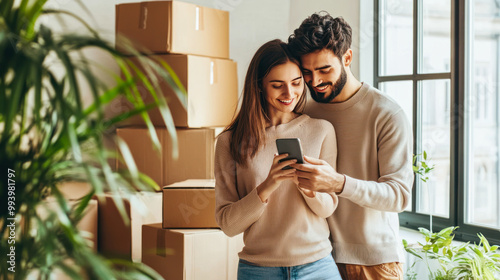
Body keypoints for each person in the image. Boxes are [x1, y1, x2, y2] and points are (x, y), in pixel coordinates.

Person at [288, 13, 414, 280]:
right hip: (313, 259)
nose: (315, 82)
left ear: (347, 58)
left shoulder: (386, 113)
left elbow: (399, 195)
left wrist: (338, 183)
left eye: (324, 70)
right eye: (307, 73)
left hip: (373, 262)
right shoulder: (302, 110)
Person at [214, 39, 342, 280]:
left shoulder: (322, 130)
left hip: (317, 266)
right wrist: (267, 185)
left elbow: (327, 208)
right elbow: (228, 225)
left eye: (296, 83)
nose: (289, 93)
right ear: (259, 86)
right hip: (259, 270)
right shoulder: (230, 142)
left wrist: (308, 185)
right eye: (277, 85)